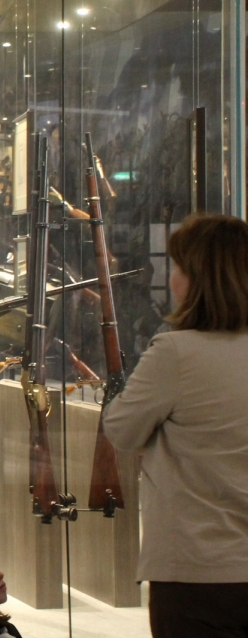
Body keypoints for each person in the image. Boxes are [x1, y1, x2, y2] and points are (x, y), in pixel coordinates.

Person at [102, 213, 248, 637]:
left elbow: (121, 429)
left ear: (201, 279)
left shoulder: (175, 353)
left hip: (196, 571)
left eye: (179, 267)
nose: (171, 278)